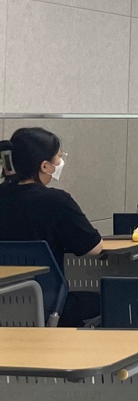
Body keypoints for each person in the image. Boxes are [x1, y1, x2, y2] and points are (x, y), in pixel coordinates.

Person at [0, 127, 103, 325]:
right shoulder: (56, 201)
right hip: (49, 304)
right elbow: (94, 248)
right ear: (45, 166)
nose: (61, 161)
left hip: (4, 302)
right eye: (58, 156)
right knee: (107, 301)